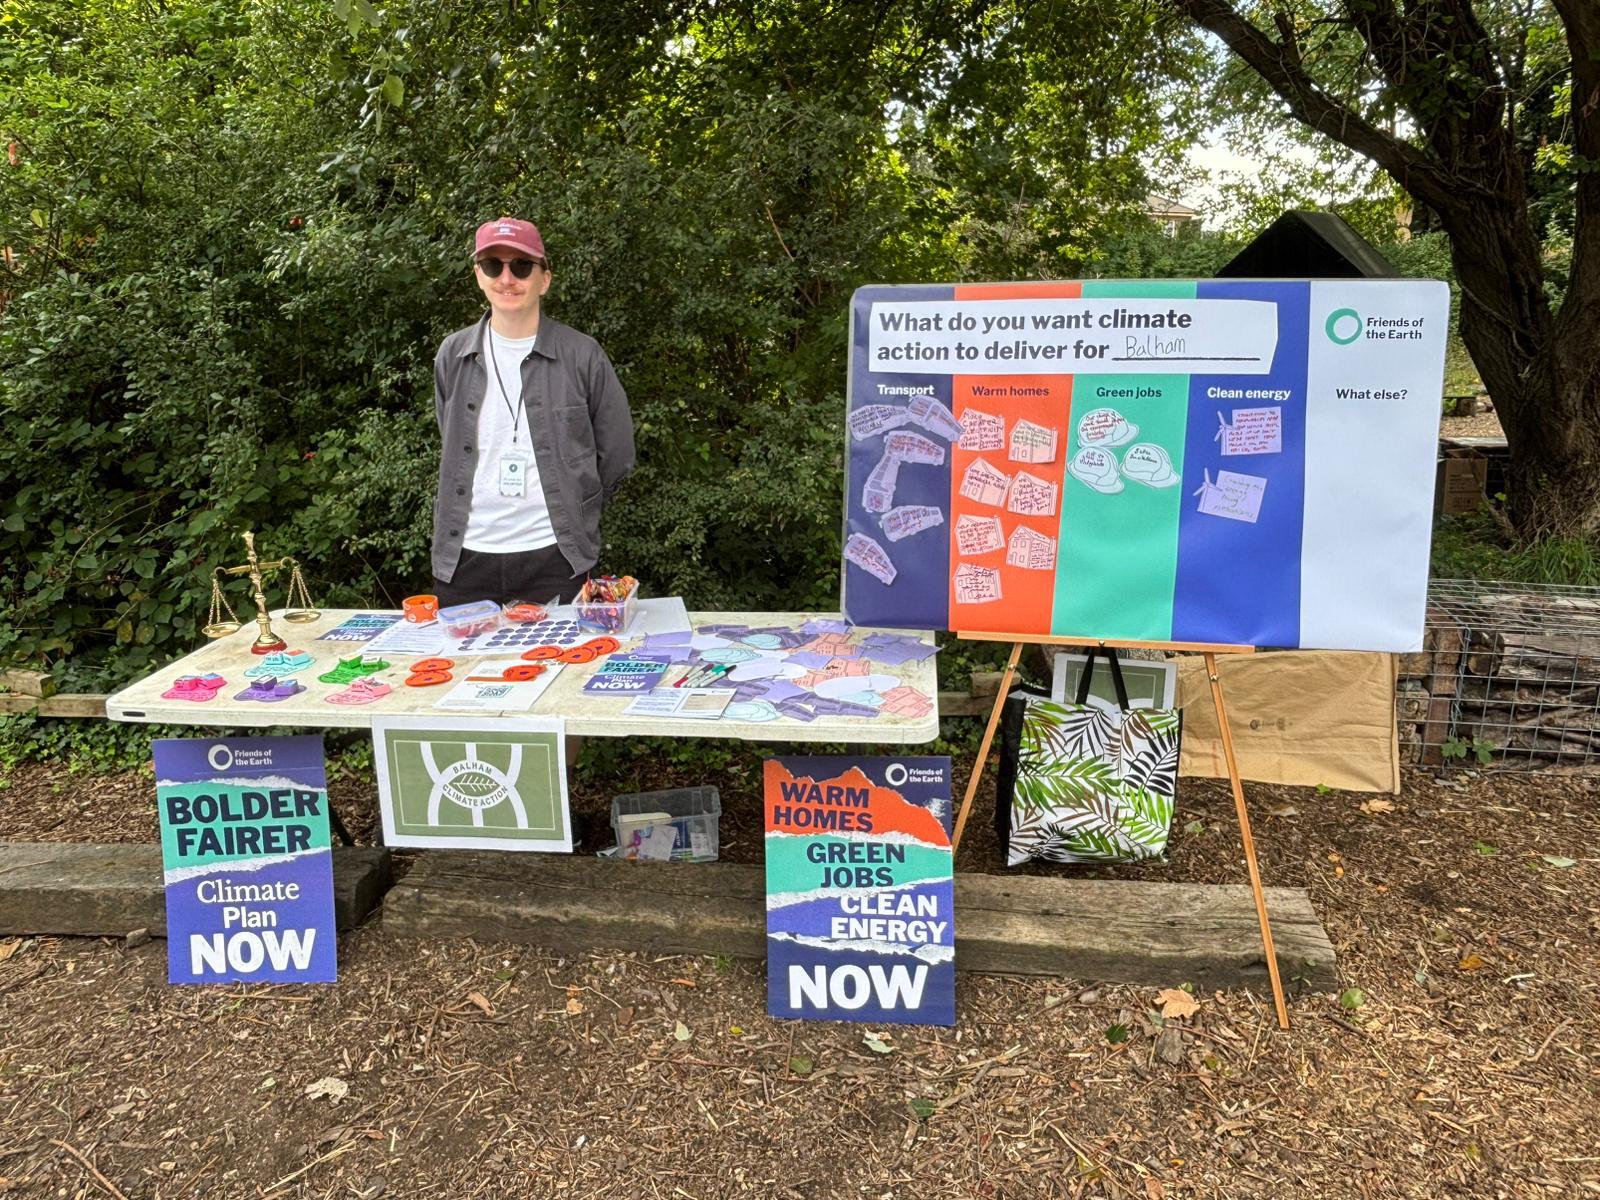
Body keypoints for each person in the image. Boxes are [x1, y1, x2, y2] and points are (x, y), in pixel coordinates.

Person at [429, 217, 635, 607]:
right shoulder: (452, 354)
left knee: (564, 668)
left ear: (544, 279)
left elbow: (617, 452)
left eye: (522, 266)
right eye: (494, 266)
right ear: (478, 275)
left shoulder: (582, 355)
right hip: (464, 558)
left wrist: (578, 502)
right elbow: (451, 438)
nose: (507, 278)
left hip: (556, 557)